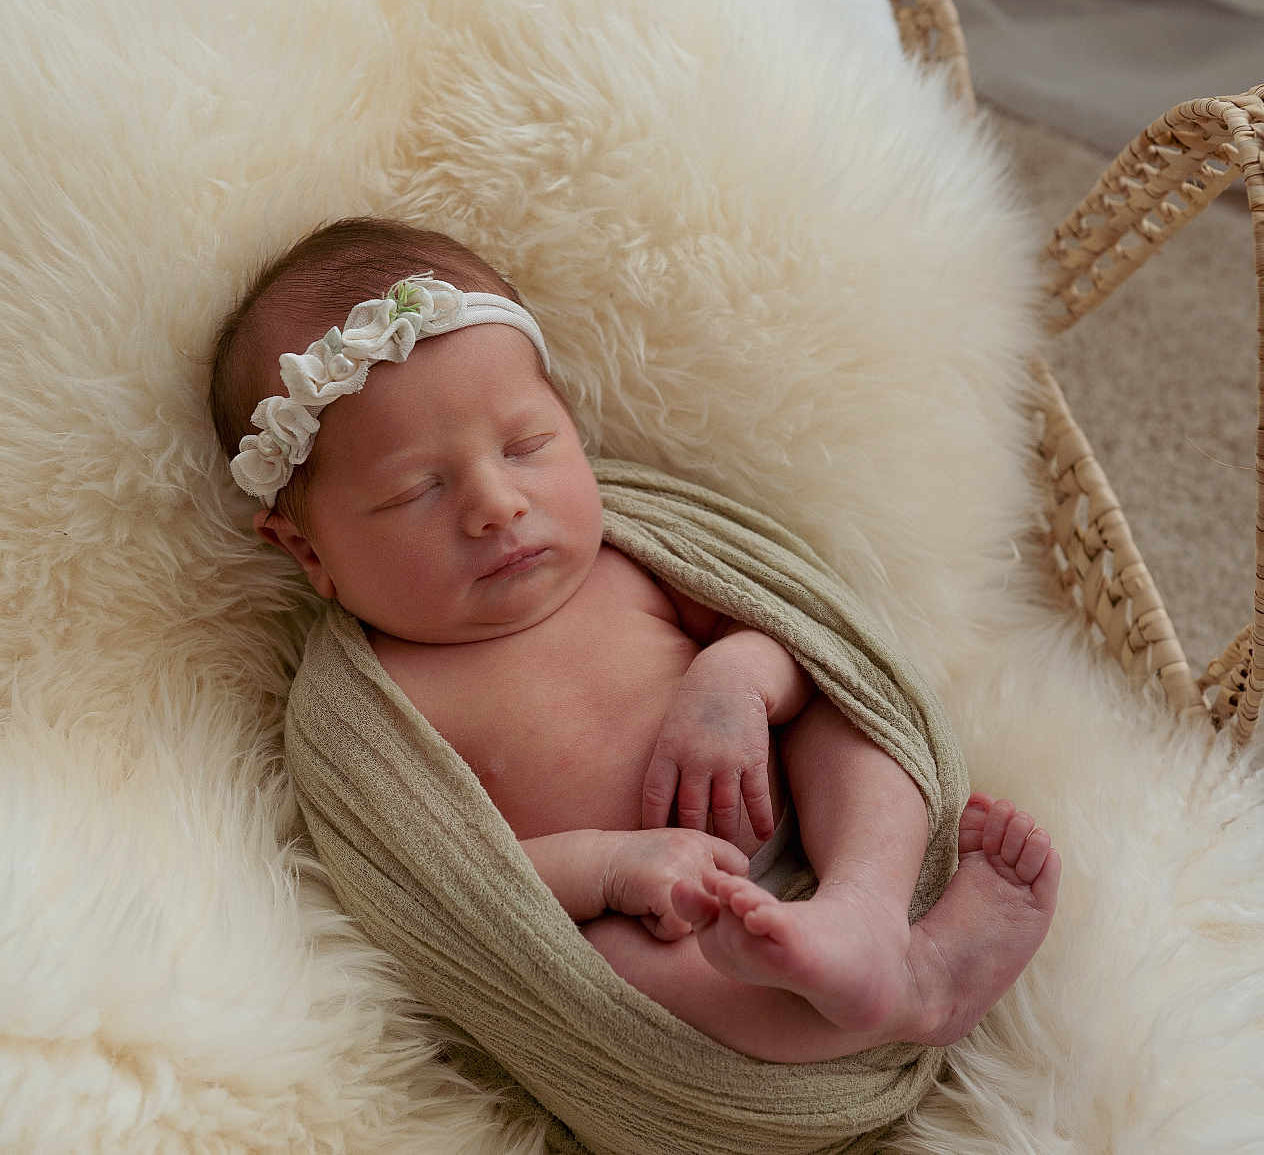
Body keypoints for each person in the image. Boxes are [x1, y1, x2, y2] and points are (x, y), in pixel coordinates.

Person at [209, 216, 1060, 1064]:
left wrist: (736, 675)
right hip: (658, 923)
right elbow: (449, 885)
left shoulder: (632, 556)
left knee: (848, 724)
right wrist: (608, 868)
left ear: (568, 420)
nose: (495, 503)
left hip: (805, 820)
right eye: (414, 492)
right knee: (618, 963)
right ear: (307, 549)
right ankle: (901, 992)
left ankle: (869, 912)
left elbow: (800, 640)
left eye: (526, 444)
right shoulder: (375, 705)